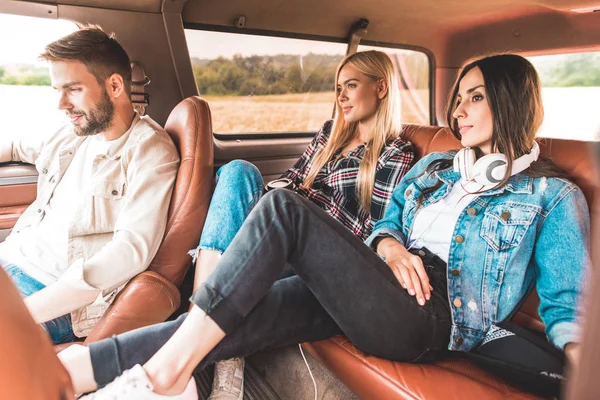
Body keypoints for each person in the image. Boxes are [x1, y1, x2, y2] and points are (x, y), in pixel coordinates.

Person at [61, 53, 587, 400]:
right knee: (250, 313)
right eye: (459, 97)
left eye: (475, 96)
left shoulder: (550, 195)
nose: (459, 110)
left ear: (513, 99)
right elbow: (388, 221)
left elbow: (569, 303)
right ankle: (80, 371)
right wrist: (388, 246)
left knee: (284, 208)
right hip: (382, 284)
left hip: (435, 316)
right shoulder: (435, 169)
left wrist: (582, 360)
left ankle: (164, 374)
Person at [182, 50, 414, 399]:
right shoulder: (329, 134)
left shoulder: (395, 154)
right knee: (237, 170)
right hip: (280, 225)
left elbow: (375, 232)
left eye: (351, 85)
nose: (341, 97)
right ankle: (197, 323)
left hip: (315, 253)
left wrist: (305, 204)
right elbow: (290, 180)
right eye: (338, 88)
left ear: (381, 87)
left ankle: (206, 349)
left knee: (261, 236)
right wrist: (283, 197)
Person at [0, 26, 179, 344]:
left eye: (73, 89)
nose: (61, 104)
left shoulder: (149, 150)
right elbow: (15, 146)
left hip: (50, 296)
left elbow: (131, 250)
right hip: (8, 261)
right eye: (57, 90)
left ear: (114, 85)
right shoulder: (72, 135)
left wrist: (27, 311)